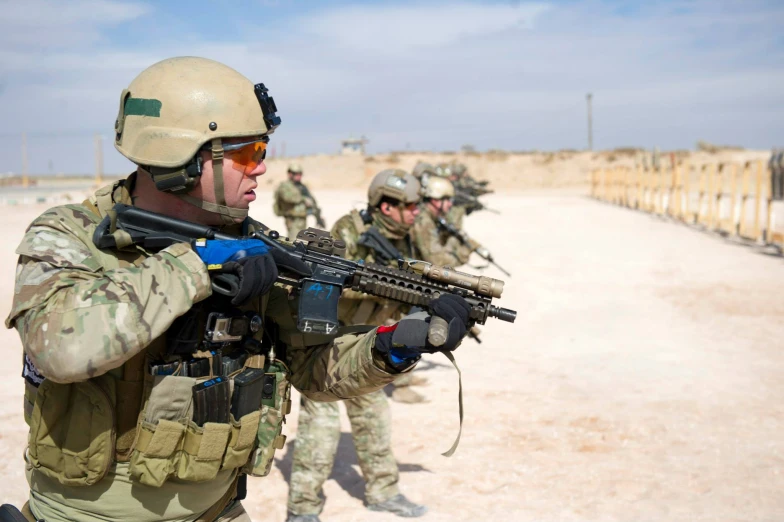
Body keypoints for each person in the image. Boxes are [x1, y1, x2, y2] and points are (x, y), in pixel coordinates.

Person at [4, 57, 472, 522]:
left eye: (262, 152)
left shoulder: (252, 242)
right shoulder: (71, 234)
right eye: (247, 154)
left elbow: (312, 370)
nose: (261, 169)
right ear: (178, 159)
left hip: (220, 509)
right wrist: (196, 265)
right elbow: (60, 348)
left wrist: (393, 345)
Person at [286, 170, 428, 522]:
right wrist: (375, 284)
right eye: (409, 205)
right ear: (385, 205)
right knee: (320, 424)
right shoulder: (350, 231)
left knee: (374, 417)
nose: (415, 211)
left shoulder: (405, 239)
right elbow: (319, 278)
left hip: (367, 344)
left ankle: (383, 492)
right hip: (328, 345)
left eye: (416, 205)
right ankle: (302, 507)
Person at [412, 176, 477, 268]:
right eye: (446, 199)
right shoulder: (424, 222)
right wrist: (464, 251)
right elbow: (438, 263)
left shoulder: (432, 217)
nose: (450, 204)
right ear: (435, 200)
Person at [273, 164, 320, 239]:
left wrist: (317, 215)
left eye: (300, 174)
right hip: (293, 220)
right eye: (296, 174)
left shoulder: (301, 186)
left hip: (302, 218)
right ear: (290, 174)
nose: (299, 176)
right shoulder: (285, 186)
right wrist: (303, 199)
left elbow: (311, 199)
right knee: (294, 242)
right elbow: (287, 197)